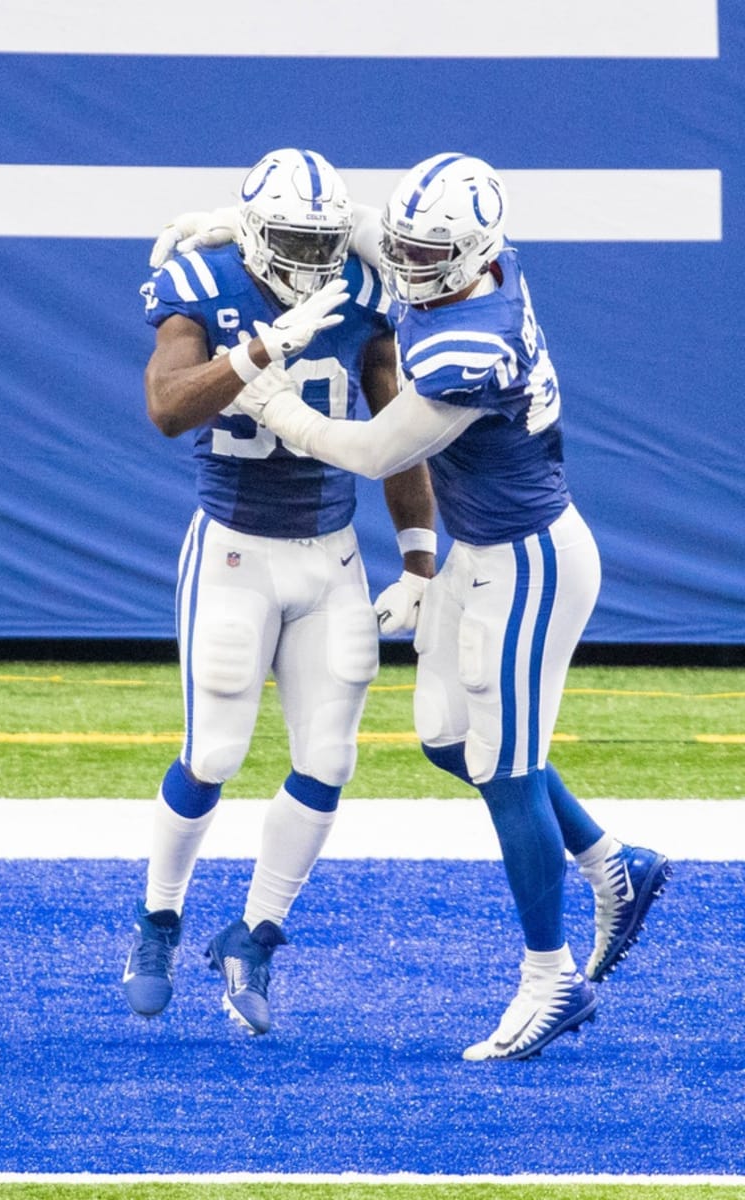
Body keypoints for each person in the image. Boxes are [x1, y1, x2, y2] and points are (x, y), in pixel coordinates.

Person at [228, 152, 670, 1059]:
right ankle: (608, 861)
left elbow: (369, 453)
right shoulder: (457, 258)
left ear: (475, 257)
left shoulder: (475, 339)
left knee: (507, 769)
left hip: (531, 563)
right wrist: (214, 221)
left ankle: (552, 982)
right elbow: (361, 231)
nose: (411, 269)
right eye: (409, 249)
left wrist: (270, 400)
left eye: (432, 256)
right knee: (445, 737)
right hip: (482, 549)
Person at [123, 148, 438, 1035]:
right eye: (295, 238)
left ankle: (254, 933)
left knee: (329, 761)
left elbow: (397, 425)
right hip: (232, 549)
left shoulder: (362, 291)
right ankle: (157, 918)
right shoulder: (204, 283)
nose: (312, 257)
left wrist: (418, 557)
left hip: (330, 553)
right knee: (215, 752)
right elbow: (167, 406)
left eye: (325, 240)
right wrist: (260, 348)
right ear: (255, 234)